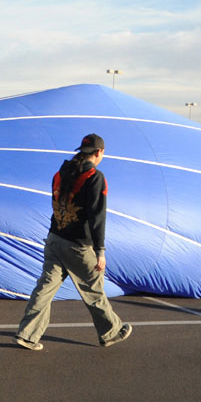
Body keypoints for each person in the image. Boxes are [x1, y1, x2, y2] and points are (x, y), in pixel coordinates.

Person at [14, 133, 132, 350]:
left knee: (45, 288)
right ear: (99, 152)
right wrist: (100, 250)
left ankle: (27, 334)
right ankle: (111, 332)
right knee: (93, 289)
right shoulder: (95, 177)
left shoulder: (60, 174)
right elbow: (97, 217)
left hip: (55, 239)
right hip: (78, 246)